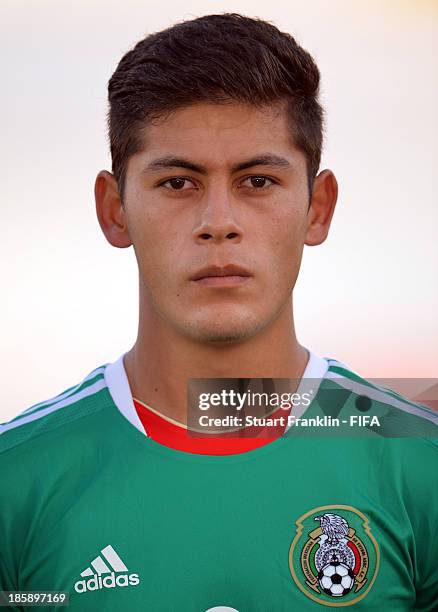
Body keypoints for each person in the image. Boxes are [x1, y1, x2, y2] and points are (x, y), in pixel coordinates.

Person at [0, 13, 437, 612]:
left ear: (317, 209)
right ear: (114, 210)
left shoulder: (421, 468)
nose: (218, 222)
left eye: (257, 180)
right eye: (178, 183)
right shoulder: (15, 483)